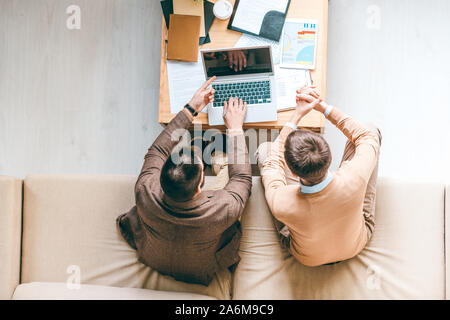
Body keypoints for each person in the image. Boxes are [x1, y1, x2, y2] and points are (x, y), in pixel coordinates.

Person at [117, 77, 252, 285]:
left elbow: (158, 150)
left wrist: (191, 109)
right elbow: (242, 178)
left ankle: (208, 151)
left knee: (206, 152)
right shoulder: (222, 209)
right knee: (225, 165)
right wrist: (235, 128)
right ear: (200, 187)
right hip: (199, 268)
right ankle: (218, 157)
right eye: (201, 169)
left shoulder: (145, 189)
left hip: (155, 257)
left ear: (160, 176)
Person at [257, 85, 382, 266]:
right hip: (354, 245)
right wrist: (323, 107)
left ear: (292, 171)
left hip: (308, 258)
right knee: (370, 131)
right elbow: (367, 136)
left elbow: (271, 163)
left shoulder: (281, 201)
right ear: (329, 158)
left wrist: (296, 116)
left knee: (265, 150)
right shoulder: (354, 176)